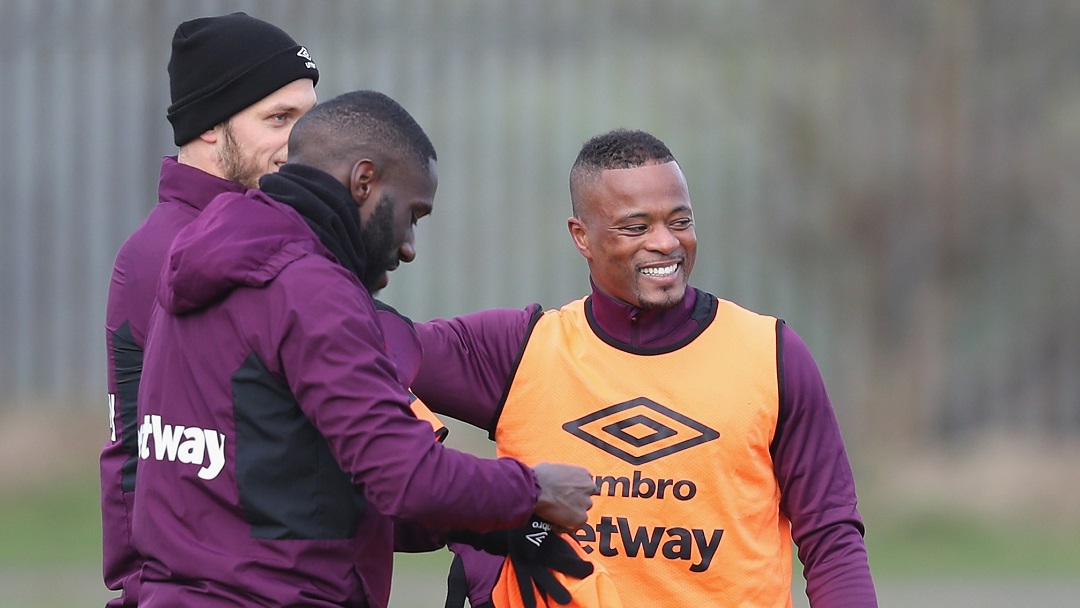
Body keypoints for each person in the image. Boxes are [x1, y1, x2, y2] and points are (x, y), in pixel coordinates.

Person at [130, 90, 597, 608]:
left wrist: (490, 526)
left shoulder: (200, 269)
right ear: (364, 181)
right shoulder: (309, 289)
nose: (409, 247)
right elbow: (404, 475)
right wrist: (533, 491)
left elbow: (304, 491)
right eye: (412, 213)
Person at [412, 129, 878, 607]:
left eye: (680, 221)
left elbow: (831, 534)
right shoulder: (519, 350)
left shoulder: (773, 354)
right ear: (582, 237)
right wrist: (473, 527)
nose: (665, 243)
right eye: (636, 227)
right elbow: (355, 344)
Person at [100, 12, 319, 607]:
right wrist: (141, 588)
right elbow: (136, 447)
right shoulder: (166, 253)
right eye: (279, 119)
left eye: (309, 118)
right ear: (207, 128)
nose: (302, 143)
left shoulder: (272, 236)